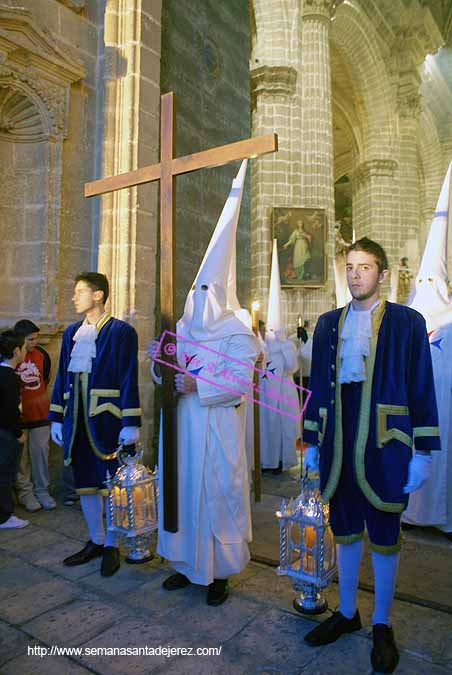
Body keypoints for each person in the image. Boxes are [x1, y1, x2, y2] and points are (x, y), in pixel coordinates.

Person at [303, 238, 440, 675]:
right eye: (349, 266)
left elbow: (421, 385)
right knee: (342, 528)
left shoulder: (407, 322)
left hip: (387, 447)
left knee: (383, 533)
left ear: (382, 275)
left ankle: (381, 623)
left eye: (364, 267)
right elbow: (318, 390)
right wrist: (310, 443)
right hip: (337, 447)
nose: (355, 274)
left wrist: (425, 452)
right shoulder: (327, 324)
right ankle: (346, 612)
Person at [150, 160, 258, 606]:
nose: (198, 300)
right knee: (181, 493)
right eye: (195, 291)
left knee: (217, 497)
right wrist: (160, 365)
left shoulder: (237, 332)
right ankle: (182, 564)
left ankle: (218, 575)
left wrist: (198, 386)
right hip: (181, 431)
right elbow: (161, 370)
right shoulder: (182, 328)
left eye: (206, 292)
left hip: (215, 428)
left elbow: (238, 382)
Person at [49, 272, 141, 576]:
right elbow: (62, 375)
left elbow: (129, 377)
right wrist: (57, 417)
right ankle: (96, 540)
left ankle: (113, 544)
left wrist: (130, 421)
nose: (75, 297)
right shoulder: (71, 333)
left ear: (98, 295)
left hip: (109, 421)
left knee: (112, 487)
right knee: (86, 484)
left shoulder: (121, 332)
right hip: (76, 422)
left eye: (80, 292)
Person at [402, 162, 452, 540]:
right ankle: (412, 513)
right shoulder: (409, 320)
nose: (424, 285)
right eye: (421, 280)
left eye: (430, 280)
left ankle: (443, 515)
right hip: (415, 409)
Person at [260, 240, 300, 474]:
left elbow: (292, 367)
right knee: (267, 428)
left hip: (283, 391)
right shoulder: (261, 345)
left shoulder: (287, 346)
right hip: (265, 393)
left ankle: (283, 461)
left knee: (284, 427)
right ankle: (267, 461)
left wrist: (284, 346)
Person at [13, 320, 55, 512]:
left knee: (40, 453)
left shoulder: (42, 355)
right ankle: (25, 493)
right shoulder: (12, 355)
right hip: (19, 417)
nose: (34, 343)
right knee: (20, 458)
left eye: (36, 338)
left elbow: (45, 378)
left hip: (40, 414)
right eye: (30, 339)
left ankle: (42, 490)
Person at [0, 330, 29, 530]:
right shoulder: (10, 377)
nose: (26, 352)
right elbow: (9, 411)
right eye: (25, 348)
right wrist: (19, 434)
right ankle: (4, 516)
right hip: (5, 434)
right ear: (17, 350)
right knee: (5, 475)